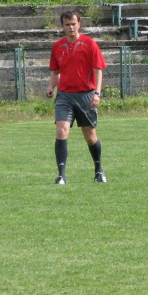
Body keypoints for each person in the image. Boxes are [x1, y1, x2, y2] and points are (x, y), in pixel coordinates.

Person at [46, 10, 108, 185]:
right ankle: (61, 175)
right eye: (67, 24)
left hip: (85, 95)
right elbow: (56, 72)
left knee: (90, 136)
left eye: (73, 23)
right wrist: (51, 86)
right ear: (63, 26)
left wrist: (97, 92)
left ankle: (98, 170)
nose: (71, 27)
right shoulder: (58, 46)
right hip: (65, 96)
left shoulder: (90, 44)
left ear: (79, 24)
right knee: (61, 130)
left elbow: (98, 70)